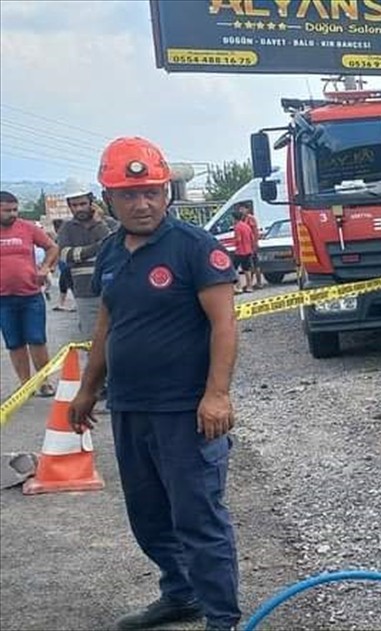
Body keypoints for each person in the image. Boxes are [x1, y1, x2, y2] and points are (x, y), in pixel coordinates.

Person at [67, 137, 242, 631]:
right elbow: (107, 325)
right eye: (129, 194)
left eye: (151, 192)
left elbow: (225, 324)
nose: (142, 203)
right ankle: (181, 593)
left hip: (185, 412)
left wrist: (217, 394)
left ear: (167, 193)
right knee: (148, 516)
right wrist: (87, 389)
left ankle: (223, 618)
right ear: (109, 199)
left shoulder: (195, 248)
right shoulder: (110, 253)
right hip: (130, 407)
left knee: (198, 518)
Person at [0, 190, 60, 396]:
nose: (13, 214)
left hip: (30, 295)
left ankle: (44, 381)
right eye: (7, 210)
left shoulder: (28, 228)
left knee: (37, 339)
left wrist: (45, 268)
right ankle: (25, 385)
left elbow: (52, 247)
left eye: (15, 209)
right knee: (14, 342)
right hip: (3, 299)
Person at [57, 190, 118, 345]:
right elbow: (65, 255)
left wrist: (99, 224)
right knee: (92, 342)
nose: (78, 209)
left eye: (82, 204)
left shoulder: (109, 223)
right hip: (84, 292)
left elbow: (115, 248)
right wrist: (99, 246)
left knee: (117, 340)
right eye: (74, 205)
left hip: (114, 290)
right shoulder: (67, 228)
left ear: (92, 203)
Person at [239, 201, 265, 290]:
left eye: (242, 208)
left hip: (252, 244)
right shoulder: (242, 218)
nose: (241, 210)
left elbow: (255, 232)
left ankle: (258, 282)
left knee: (255, 264)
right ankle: (251, 283)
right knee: (250, 265)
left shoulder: (250, 219)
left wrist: (255, 243)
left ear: (247, 209)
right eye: (240, 209)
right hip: (247, 245)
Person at [51, 218, 75, 312]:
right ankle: (61, 303)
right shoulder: (63, 235)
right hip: (64, 264)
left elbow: (57, 252)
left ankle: (73, 303)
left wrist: (53, 265)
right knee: (63, 284)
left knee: (71, 284)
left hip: (66, 264)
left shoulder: (62, 236)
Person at [231, 208, 256, 294]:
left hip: (240, 251)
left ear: (235, 218)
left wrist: (234, 243)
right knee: (247, 269)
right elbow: (252, 238)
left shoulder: (237, 227)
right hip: (248, 250)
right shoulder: (246, 226)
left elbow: (238, 239)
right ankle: (249, 286)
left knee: (234, 268)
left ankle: (238, 286)